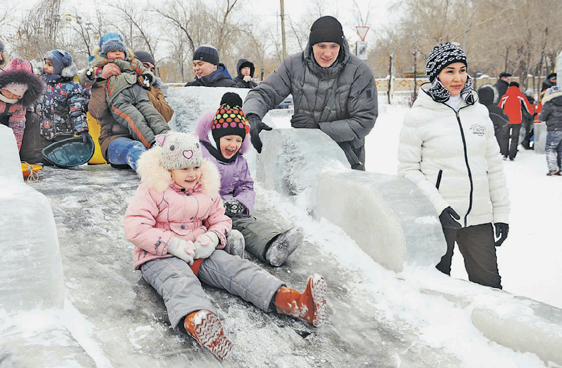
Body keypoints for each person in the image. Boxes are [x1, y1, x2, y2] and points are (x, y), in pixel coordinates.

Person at [124, 131, 327, 360]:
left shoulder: (206, 188)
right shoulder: (153, 189)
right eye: (184, 169)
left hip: (198, 249)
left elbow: (221, 219)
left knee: (238, 269)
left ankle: (296, 302)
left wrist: (212, 238)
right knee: (179, 282)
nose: (192, 174)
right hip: (159, 255)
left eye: (195, 167)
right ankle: (199, 321)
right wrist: (171, 244)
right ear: (169, 169)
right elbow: (135, 227)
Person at [398, 42, 510, 289]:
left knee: (489, 286)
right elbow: (408, 170)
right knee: (436, 287)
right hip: (439, 218)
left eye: (462, 69)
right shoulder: (418, 116)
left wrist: (501, 213)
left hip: (479, 217)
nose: (458, 77)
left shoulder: (479, 113)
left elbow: (493, 166)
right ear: (435, 75)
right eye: (449, 71)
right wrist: (439, 206)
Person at [243, 16, 378, 170]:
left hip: (345, 160)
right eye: (322, 46)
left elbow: (364, 121)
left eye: (333, 46)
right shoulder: (293, 65)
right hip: (304, 157)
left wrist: (319, 128)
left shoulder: (359, 71)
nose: (328, 53)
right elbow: (264, 93)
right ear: (312, 44)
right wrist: (252, 116)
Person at [195, 92, 303, 266]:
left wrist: (240, 203)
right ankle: (228, 245)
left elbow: (246, 186)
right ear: (216, 137)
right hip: (202, 211)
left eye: (238, 140)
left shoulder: (240, 161)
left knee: (246, 224)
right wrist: (214, 203)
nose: (233, 145)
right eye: (228, 138)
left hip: (229, 209)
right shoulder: (200, 154)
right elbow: (188, 182)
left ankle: (272, 247)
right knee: (213, 228)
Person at [79, 33, 172, 170]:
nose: (117, 54)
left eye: (152, 68)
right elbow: (97, 112)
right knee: (136, 148)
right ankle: (154, 171)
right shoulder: (104, 76)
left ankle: (171, 147)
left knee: (155, 122)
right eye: (146, 66)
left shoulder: (147, 81)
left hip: (144, 118)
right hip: (115, 138)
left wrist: (145, 86)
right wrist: (102, 78)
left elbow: (165, 114)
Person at [20, 50, 90, 164]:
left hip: (64, 135)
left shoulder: (71, 87)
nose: (45, 67)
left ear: (60, 68)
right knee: (44, 159)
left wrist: (82, 129)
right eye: (45, 63)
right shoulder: (39, 84)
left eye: (50, 65)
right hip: (42, 133)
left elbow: (76, 109)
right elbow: (31, 104)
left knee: (63, 160)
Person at [133, 50, 174, 122]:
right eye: (145, 66)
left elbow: (167, 115)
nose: (148, 71)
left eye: (151, 70)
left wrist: (145, 88)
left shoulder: (156, 87)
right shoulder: (125, 85)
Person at [498, 82, 533, 160]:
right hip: (517, 120)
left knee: (504, 137)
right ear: (518, 88)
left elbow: (500, 107)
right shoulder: (521, 97)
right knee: (515, 138)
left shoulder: (504, 97)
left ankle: (504, 154)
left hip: (505, 120)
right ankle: (512, 155)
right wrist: (532, 114)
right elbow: (528, 107)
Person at [478, 85, 509, 154]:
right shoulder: (496, 110)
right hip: (494, 140)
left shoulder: (476, 109)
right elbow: (505, 121)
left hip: (478, 139)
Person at [538, 86, 562, 176]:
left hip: (554, 129)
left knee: (550, 148)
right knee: (561, 150)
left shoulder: (549, 104)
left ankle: (553, 169)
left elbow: (542, 117)